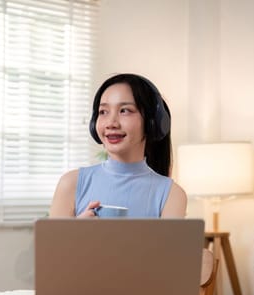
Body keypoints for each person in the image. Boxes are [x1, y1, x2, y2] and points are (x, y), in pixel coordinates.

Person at [49, 73, 187, 218]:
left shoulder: (172, 194)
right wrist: (78, 230)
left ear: (152, 123)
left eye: (124, 111)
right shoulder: (70, 184)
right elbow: (51, 241)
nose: (111, 123)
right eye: (103, 112)